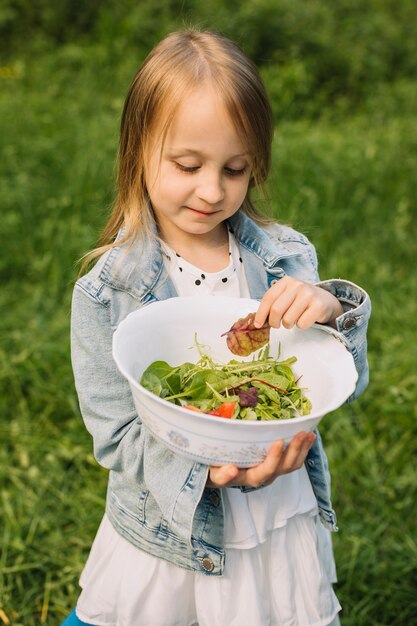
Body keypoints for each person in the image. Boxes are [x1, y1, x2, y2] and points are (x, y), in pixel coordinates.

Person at [62, 29, 370, 626]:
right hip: (167, 527)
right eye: (187, 165)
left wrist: (331, 310)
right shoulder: (108, 292)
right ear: (138, 151)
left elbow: (341, 381)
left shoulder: (285, 259)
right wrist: (207, 473)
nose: (212, 190)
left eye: (235, 169)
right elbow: (116, 435)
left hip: (277, 512)